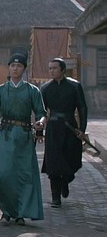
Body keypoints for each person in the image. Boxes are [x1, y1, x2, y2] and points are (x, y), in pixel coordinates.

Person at [0, 53, 47, 226]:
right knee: (0, 172)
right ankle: (6, 208)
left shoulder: (32, 90)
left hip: (24, 136)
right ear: (9, 68)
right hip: (5, 134)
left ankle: (20, 212)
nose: (15, 69)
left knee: (23, 176)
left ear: (24, 69)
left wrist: (41, 124)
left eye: (19, 66)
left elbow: (41, 113)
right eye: (12, 65)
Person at [40, 57, 88, 208]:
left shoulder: (74, 86)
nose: (51, 71)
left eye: (54, 68)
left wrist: (82, 129)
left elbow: (82, 107)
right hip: (53, 128)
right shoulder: (45, 88)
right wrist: (40, 128)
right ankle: (55, 197)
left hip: (70, 127)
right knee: (53, 163)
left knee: (72, 159)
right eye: (50, 68)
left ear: (62, 69)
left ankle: (65, 181)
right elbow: (41, 111)